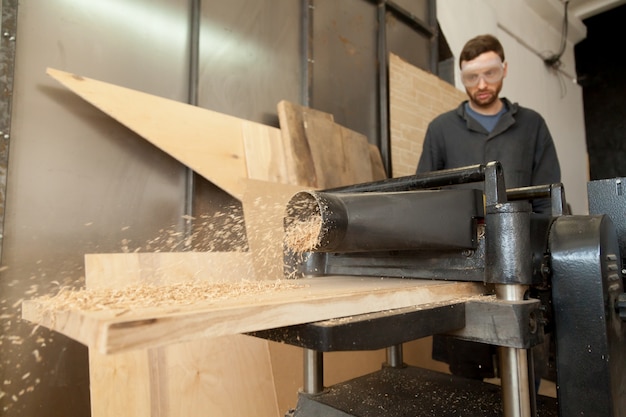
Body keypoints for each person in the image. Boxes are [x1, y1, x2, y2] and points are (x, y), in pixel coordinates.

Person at [416, 34, 561, 214]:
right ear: (462, 77)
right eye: (472, 77)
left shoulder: (532, 125)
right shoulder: (440, 129)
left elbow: (548, 202)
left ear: (504, 69)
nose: (482, 85)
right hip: (460, 239)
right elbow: (422, 199)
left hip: (521, 238)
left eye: (490, 73)